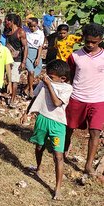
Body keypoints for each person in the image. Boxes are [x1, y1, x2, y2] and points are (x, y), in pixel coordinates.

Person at [20, 59, 72, 200]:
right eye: (47, 75)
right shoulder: (44, 83)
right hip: (42, 118)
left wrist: (49, 85)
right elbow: (35, 97)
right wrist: (26, 112)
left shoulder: (67, 88)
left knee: (58, 156)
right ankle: (38, 167)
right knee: (39, 146)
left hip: (58, 124)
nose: (47, 78)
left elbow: (56, 103)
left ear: (63, 78)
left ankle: (58, 188)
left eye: (52, 77)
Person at [64, 23, 104, 179]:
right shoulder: (75, 56)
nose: (90, 44)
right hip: (77, 98)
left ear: (100, 39)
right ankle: (63, 150)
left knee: (95, 132)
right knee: (69, 128)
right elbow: (69, 75)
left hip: (99, 100)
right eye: (87, 41)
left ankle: (88, 165)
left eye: (94, 42)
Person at [4, 13, 28, 108]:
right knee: (8, 78)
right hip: (8, 59)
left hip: (17, 60)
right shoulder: (8, 31)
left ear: (11, 21)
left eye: (7, 21)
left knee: (14, 80)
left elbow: (25, 47)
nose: (5, 23)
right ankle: (9, 95)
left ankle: (13, 99)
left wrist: (23, 61)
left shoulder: (20, 32)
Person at [24, 17, 45, 98]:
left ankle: (27, 87)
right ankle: (31, 89)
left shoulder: (40, 33)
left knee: (36, 72)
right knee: (31, 71)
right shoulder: (25, 30)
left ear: (37, 25)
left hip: (36, 52)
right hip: (27, 53)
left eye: (34, 26)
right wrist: (28, 20)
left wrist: (38, 58)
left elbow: (40, 46)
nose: (32, 28)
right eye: (30, 26)